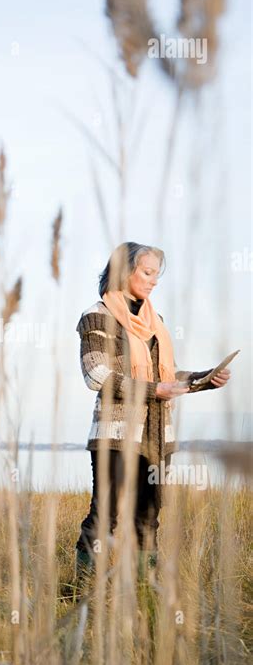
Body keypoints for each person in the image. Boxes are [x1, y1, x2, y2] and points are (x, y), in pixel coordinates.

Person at [75, 242, 231, 582]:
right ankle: (82, 590)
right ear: (123, 271)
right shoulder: (96, 315)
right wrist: (153, 390)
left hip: (158, 434)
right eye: (147, 273)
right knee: (105, 515)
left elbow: (165, 378)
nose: (154, 281)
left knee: (148, 517)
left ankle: (145, 590)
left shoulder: (155, 322)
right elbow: (96, 375)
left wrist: (205, 380)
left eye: (156, 275)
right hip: (115, 436)